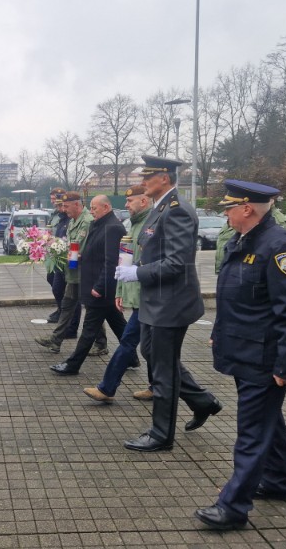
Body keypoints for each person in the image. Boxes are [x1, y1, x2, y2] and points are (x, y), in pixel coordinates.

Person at [194, 180, 286, 531]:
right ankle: (276, 481)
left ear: (247, 209)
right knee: (267, 421)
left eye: (229, 207)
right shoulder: (243, 241)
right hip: (242, 349)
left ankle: (232, 506)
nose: (225, 213)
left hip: (264, 357)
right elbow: (235, 299)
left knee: (251, 431)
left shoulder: (280, 246)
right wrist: (219, 333)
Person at [116, 155, 221, 452]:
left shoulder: (177, 211)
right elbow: (154, 249)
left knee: (162, 370)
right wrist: (135, 265)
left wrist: (137, 272)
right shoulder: (160, 208)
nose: (143, 181)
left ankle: (161, 435)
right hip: (156, 298)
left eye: (148, 176)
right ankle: (203, 401)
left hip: (171, 303)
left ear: (164, 178)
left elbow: (176, 262)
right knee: (150, 352)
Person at [83, 185, 151, 402]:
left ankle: (199, 398)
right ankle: (112, 388)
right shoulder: (133, 225)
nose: (127, 205)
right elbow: (125, 261)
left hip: (152, 297)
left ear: (144, 201)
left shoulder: (152, 224)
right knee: (140, 345)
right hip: (140, 296)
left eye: (131, 202)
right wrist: (120, 290)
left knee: (145, 347)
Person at [49, 195, 126, 375]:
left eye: (94, 208)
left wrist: (99, 287)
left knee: (89, 329)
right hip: (95, 283)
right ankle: (132, 357)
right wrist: (81, 257)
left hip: (101, 287)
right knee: (119, 326)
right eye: (90, 208)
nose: (91, 211)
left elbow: (111, 262)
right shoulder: (97, 224)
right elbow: (94, 251)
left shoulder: (113, 227)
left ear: (106, 207)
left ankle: (72, 365)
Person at [35, 191, 106, 354]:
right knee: (67, 306)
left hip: (87, 273)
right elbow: (69, 243)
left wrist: (62, 249)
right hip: (74, 273)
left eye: (66, 206)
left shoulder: (87, 221)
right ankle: (56, 340)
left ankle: (101, 344)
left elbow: (85, 246)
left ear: (77, 204)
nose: (64, 209)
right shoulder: (74, 221)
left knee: (92, 308)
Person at [45, 188, 68, 323]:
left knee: (62, 289)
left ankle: (63, 313)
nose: (56, 204)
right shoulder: (55, 215)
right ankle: (61, 310)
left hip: (64, 256)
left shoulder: (67, 217)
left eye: (58, 202)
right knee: (52, 281)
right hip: (54, 252)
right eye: (53, 200)